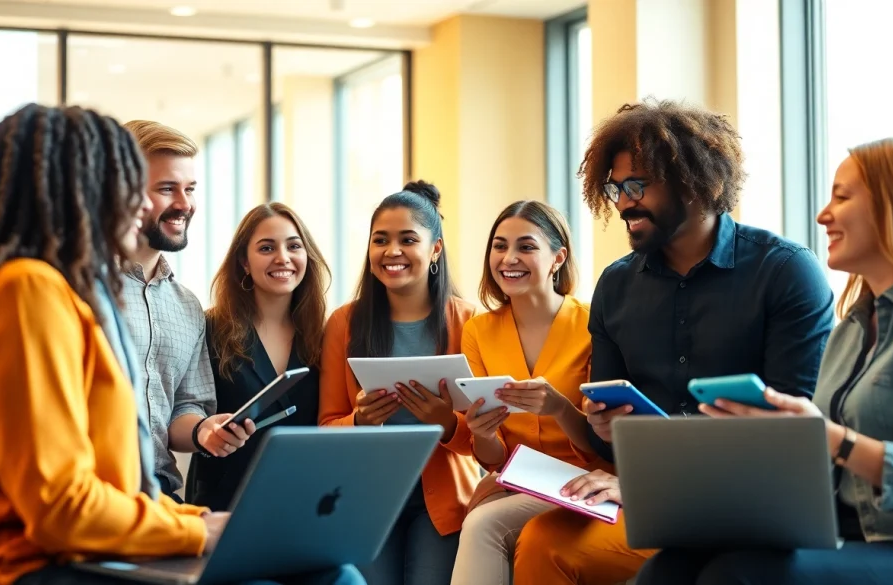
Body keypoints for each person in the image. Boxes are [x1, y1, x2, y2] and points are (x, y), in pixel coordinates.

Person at [0, 103, 364, 585]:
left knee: (331, 572)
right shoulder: (26, 291)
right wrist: (199, 531)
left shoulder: (49, 291)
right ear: (81, 194)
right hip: (29, 563)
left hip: (101, 532)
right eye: (136, 189)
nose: (152, 207)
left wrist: (197, 522)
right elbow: (62, 507)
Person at [635, 106, 893, 585]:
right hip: (839, 536)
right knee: (667, 569)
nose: (823, 214)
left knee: (739, 576)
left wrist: (827, 438)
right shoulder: (853, 324)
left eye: (842, 196)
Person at [512, 98, 836, 585]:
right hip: (650, 504)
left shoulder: (785, 272)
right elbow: (611, 444)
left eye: (638, 185)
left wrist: (651, 487)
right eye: (615, 188)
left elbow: (794, 438)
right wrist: (604, 429)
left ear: (699, 181)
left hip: (750, 507)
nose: (623, 202)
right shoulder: (616, 286)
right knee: (544, 540)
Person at [319, 181, 481, 585]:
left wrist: (448, 422)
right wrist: (360, 422)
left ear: (435, 250)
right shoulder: (344, 323)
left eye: (408, 239)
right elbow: (325, 429)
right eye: (381, 240)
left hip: (443, 499)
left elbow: (486, 438)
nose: (392, 251)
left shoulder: (469, 322)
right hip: (369, 496)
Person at [450, 200, 607, 585]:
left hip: (585, 478)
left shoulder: (593, 325)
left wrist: (558, 407)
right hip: (519, 479)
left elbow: (603, 441)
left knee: (484, 525)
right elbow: (492, 458)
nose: (509, 258)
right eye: (500, 246)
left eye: (526, 246)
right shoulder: (478, 331)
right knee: (478, 518)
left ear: (558, 257)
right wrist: (483, 433)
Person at [122, 120, 248, 503]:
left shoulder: (187, 306)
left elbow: (182, 407)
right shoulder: (79, 290)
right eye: (166, 189)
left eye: (190, 189)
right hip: (100, 491)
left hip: (162, 493)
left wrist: (204, 430)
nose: (184, 204)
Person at [187, 203, 330, 511]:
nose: (283, 257)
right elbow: (185, 408)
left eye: (294, 246)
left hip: (303, 504)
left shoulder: (323, 335)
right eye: (266, 248)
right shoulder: (209, 328)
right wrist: (205, 429)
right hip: (225, 506)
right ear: (244, 263)